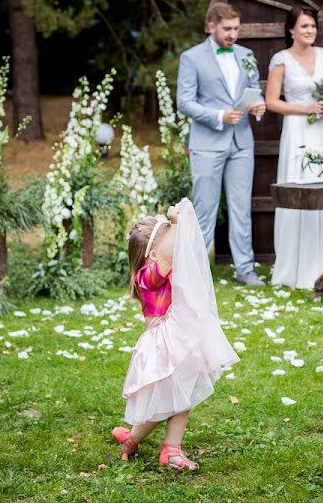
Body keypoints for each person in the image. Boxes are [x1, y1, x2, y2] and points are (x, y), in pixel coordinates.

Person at [111, 198, 240, 470]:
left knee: (184, 393)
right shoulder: (147, 276)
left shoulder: (167, 266)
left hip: (180, 337)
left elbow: (183, 252)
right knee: (165, 399)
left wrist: (174, 227)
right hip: (163, 344)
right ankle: (132, 438)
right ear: (154, 255)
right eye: (167, 241)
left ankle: (170, 449)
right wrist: (175, 223)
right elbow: (171, 249)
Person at [177, 3, 267, 286]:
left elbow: (255, 90)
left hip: (241, 142)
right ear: (210, 26)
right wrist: (219, 116)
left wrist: (258, 106)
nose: (233, 35)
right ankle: (195, 273)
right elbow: (184, 102)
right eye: (227, 29)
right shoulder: (191, 58)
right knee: (204, 209)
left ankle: (245, 268)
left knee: (241, 207)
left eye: (236, 29)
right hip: (207, 143)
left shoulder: (246, 55)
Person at [265, 6, 323, 289]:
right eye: (304, 26)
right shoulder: (281, 60)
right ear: (291, 30)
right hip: (297, 131)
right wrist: (304, 108)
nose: (310, 31)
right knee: (299, 190)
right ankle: (293, 269)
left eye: (313, 26)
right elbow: (272, 101)